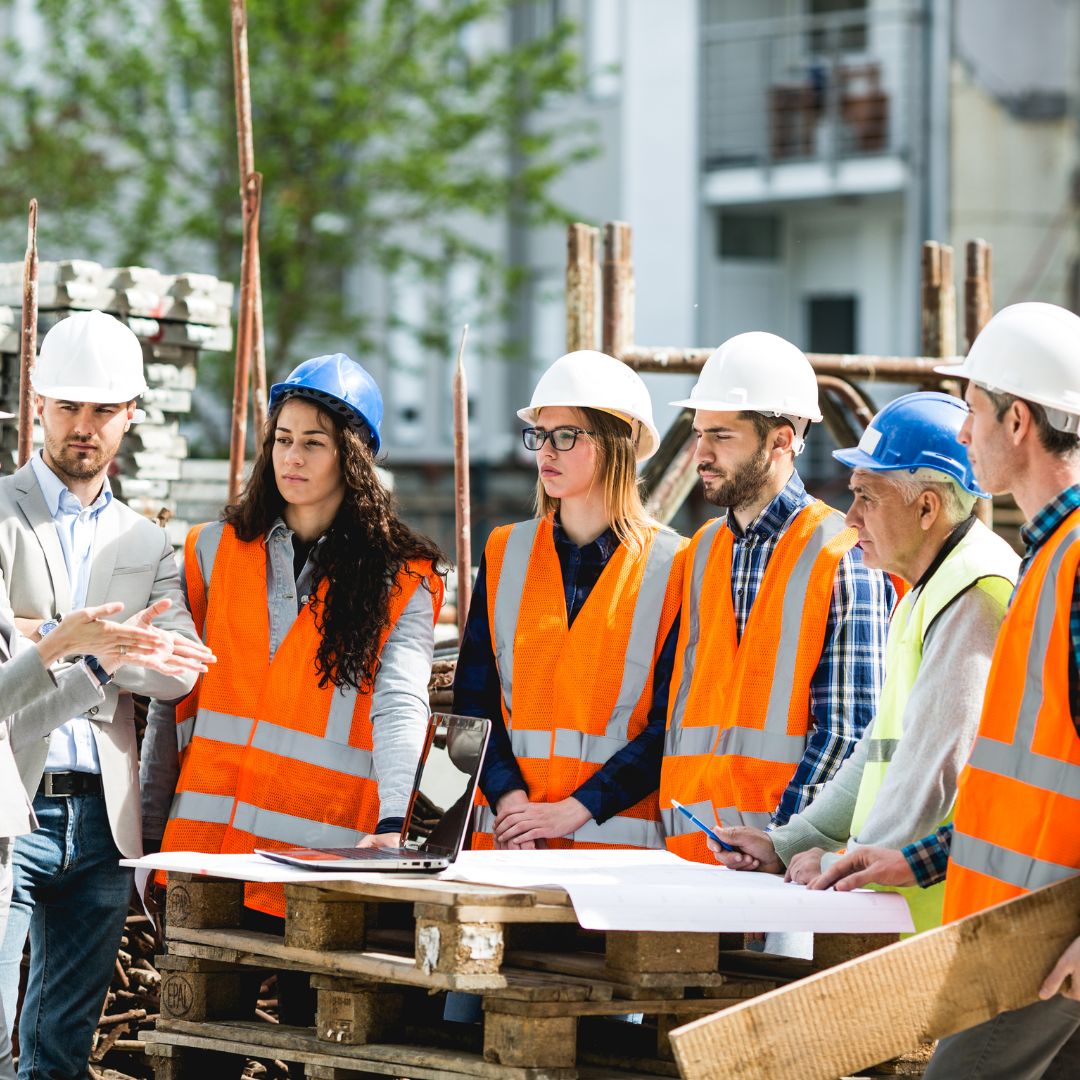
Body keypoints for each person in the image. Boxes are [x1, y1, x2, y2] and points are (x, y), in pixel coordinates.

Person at [813, 302, 1080, 1077]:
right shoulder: (1048, 561)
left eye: (973, 411)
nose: (964, 434)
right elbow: (1016, 792)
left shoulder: (1067, 564)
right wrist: (918, 859)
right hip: (1025, 928)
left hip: (1039, 937)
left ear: (1019, 422)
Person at [141, 353, 446, 924]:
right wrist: (151, 835)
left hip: (322, 862)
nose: (291, 457)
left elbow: (401, 704)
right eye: (282, 439)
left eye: (313, 443)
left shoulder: (401, 578)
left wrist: (391, 823)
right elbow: (171, 703)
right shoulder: (212, 551)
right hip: (206, 855)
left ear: (352, 456)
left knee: (312, 1014)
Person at [706, 392, 1018, 933]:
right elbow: (878, 754)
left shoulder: (973, 592)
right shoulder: (931, 588)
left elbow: (934, 771)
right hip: (918, 915)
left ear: (927, 507)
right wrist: (791, 843)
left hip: (954, 925)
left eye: (867, 498)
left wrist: (845, 860)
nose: (850, 519)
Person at [0, 311, 212, 1079]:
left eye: (101, 411)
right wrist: (90, 640)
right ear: (40, 405)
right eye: (69, 408)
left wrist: (45, 637)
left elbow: (180, 670)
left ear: (130, 417)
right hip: (10, 805)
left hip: (101, 822)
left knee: (60, 1048)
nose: (82, 427)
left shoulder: (148, 541)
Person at [659, 331, 894, 865]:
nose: (701, 454)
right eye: (699, 434)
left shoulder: (842, 554)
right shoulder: (700, 553)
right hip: (689, 857)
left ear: (781, 440)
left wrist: (782, 841)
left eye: (721, 435)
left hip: (788, 866)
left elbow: (847, 732)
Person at [455, 349, 686, 850]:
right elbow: (472, 702)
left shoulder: (677, 567)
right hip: (507, 847)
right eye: (539, 435)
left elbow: (670, 726)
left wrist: (574, 811)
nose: (545, 453)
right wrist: (509, 799)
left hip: (615, 860)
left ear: (616, 443)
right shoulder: (505, 551)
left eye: (566, 436)